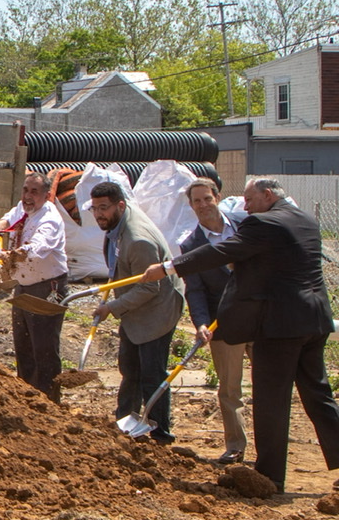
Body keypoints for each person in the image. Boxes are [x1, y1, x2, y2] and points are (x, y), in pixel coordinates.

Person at [142, 178, 339, 492]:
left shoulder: (263, 222)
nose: (245, 207)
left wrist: (169, 267)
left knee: (271, 401)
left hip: (279, 326)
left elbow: (222, 251)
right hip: (314, 320)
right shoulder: (305, 219)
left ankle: (269, 477)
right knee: (318, 395)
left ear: (268, 195)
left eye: (249, 200)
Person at [89, 181, 184, 445]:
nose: (99, 214)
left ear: (120, 205)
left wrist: (111, 308)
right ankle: (125, 424)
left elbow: (149, 289)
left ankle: (160, 433)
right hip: (135, 306)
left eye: (104, 208)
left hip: (157, 309)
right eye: (95, 208)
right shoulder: (118, 224)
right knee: (130, 366)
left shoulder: (138, 239)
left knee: (152, 373)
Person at [177, 177, 247, 464]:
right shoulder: (191, 245)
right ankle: (236, 446)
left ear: (217, 197)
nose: (203, 205)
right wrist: (201, 323)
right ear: (191, 206)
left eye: (207, 198)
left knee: (271, 386)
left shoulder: (246, 226)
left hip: (262, 319)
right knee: (230, 389)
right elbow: (195, 289)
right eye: (197, 201)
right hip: (224, 323)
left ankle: (271, 450)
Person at [0, 172, 68, 400]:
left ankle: (48, 401)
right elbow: (10, 216)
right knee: (23, 345)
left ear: (47, 194)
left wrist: (11, 256)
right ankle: (26, 397)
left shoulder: (50, 220)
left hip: (46, 288)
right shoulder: (24, 207)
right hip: (23, 285)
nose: (28, 196)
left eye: (34, 191)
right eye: (26, 190)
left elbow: (37, 248)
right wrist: (1, 224)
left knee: (43, 348)